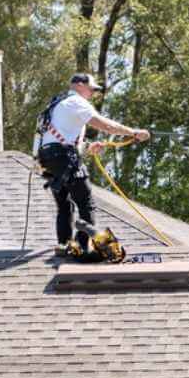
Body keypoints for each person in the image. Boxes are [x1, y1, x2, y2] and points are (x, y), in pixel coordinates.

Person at [33, 73, 150, 254]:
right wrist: (133, 132)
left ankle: (64, 244)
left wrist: (87, 146)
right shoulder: (76, 101)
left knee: (65, 205)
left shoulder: (56, 103)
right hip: (64, 157)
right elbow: (105, 125)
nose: (93, 93)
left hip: (47, 159)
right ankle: (83, 246)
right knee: (86, 203)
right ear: (79, 85)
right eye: (91, 89)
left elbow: (58, 136)